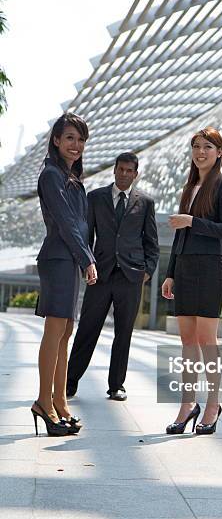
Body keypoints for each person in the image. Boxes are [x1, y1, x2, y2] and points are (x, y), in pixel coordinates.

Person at [162, 127, 222, 435]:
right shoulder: (189, 187)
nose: (200, 151)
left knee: (207, 341)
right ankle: (187, 403)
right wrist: (169, 273)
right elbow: (180, 234)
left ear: (219, 152)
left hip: (209, 268)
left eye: (207, 146)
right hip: (184, 268)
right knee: (187, 342)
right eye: (196, 146)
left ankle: (212, 405)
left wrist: (193, 221)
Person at [66, 152, 159, 401]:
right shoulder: (95, 197)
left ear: (136, 174)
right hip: (101, 274)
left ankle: (116, 385)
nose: (125, 174)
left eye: (130, 171)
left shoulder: (145, 202)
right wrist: (87, 264)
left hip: (131, 277)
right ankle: (70, 381)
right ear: (114, 170)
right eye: (121, 169)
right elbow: (86, 236)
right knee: (87, 328)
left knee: (124, 332)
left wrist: (147, 270)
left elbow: (152, 242)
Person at [33, 113, 97, 436]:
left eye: (81, 139)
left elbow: (82, 226)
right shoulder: (51, 176)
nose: (76, 145)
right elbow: (66, 223)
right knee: (55, 329)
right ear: (56, 140)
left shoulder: (74, 181)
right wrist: (88, 259)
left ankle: (59, 400)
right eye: (70, 138)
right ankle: (44, 402)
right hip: (59, 258)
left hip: (70, 259)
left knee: (66, 332)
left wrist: (84, 257)